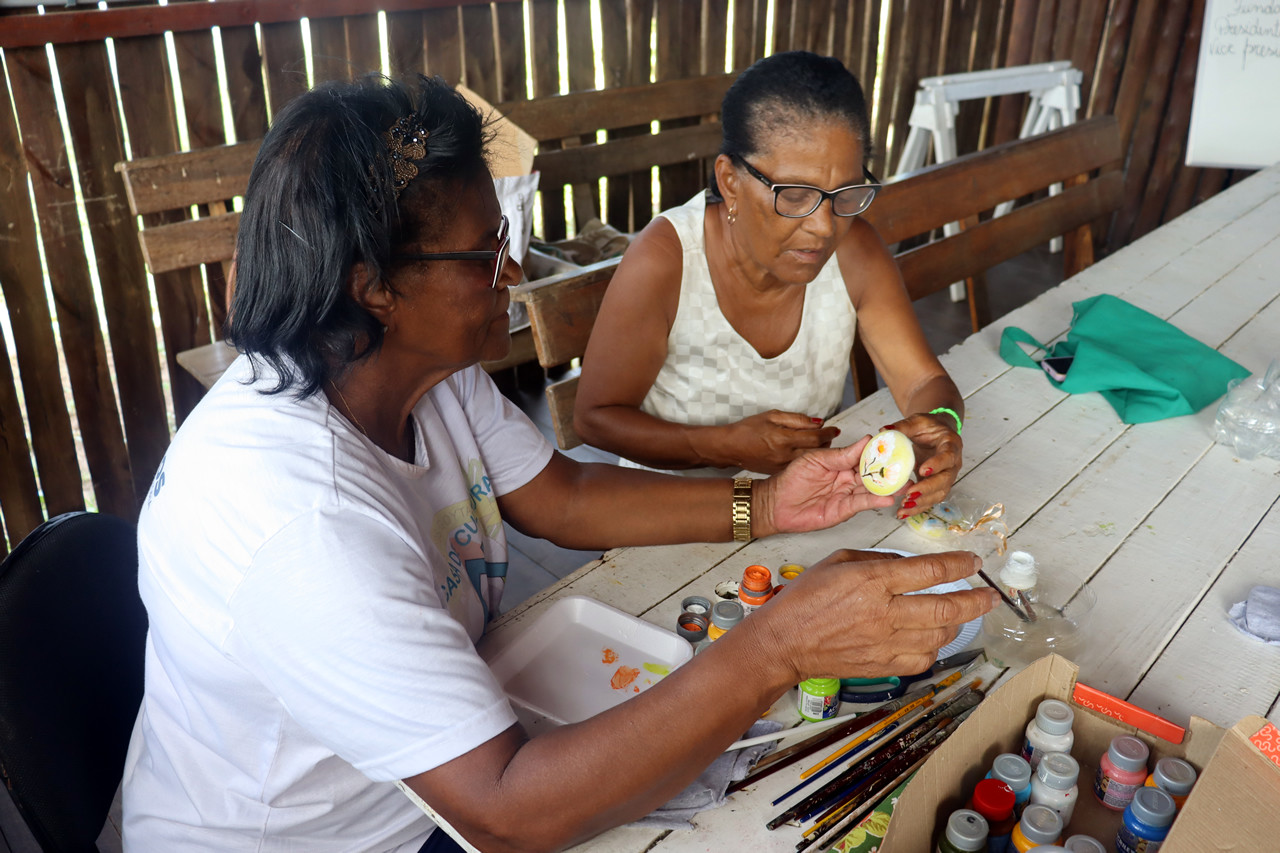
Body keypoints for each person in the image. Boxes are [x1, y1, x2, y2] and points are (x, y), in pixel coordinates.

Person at [121, 74, 998, 853]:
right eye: (483, 255)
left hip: (423, 779)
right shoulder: (303, 528)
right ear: (374, 285)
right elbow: (505, 815)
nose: (511, 273)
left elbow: (565, 497)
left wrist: (768, 508)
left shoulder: (406, 371)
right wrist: (778, 647)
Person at [574, 51, 964, 518]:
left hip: (810, 505)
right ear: (731, 181)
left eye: (844, 193)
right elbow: (595, 419)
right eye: (795, 195)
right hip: (671, 517)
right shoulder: (668, 260)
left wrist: (942, 426)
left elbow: (922, 379)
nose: (824, 226)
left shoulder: (854, 249)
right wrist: (722, 446)